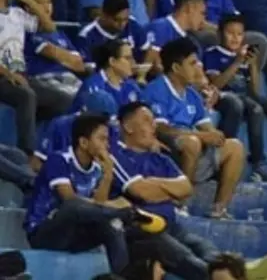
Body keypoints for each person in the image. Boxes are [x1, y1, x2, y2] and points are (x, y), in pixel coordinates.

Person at [110, 101, 221, 280]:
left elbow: (186, 189)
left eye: (153, 120)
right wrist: (168, 190)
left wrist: (153, 183)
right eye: (147, 121)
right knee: (187, 258)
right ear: (129, 127)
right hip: (142, 232)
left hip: (172, 227)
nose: (153, 126)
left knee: (207, 249)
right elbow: (142, 192)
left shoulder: (160, 158)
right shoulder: (117, 156)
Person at [140, 38, 245, 218]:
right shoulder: (156, 90)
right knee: (192, 142)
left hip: (194, 150)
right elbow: (161, 130)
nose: (197, 67)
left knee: (235, 146)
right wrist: (202, 136)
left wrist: (214, 134)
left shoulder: (192, 94)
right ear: (176, 68)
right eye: (192, 63)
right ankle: (180, 205)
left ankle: (219, 210)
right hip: (167, 153)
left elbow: (206, 126)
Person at [24, 113, 137, 272]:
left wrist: (108, 175)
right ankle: (121, 214)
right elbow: (69, 199)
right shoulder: (59, 159)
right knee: (74, 206)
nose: (107, 145)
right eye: (102, 139)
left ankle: (119, 276)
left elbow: (99, 204)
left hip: (74, 234)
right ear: (84, 142)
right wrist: (114, 209)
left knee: (113, 226)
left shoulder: (97, 168)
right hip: (43, 231)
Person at [203, 14, 267, 183]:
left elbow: (254, 90)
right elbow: (216, 84)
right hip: (224, 95)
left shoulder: (244, 55)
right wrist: (237, 62)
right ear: (220, 34)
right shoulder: (212, 54)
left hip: (246, 95)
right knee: (255, 109)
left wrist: (253, 66)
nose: (236, 38)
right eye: (230, 33)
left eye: (240, 34)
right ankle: (258, 164)